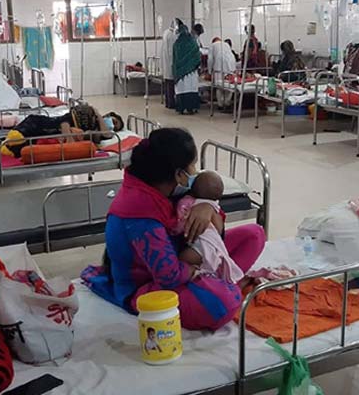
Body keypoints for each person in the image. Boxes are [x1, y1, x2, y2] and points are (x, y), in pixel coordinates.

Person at [80, 128, 266, 331]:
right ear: (178, 174)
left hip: (181, 256)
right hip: (147, 286)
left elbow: (215, 232)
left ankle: (218, 282)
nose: (195, 172)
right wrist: (194, 269)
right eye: (193, 165)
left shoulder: (163, 187)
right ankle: (223, 285)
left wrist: (207, 206)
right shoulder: (140, 213)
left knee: (254, 235)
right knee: (222, 304)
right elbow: (168, 276)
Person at [173, 171, 245, 284]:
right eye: (193, 166)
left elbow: (180, 220)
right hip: (214, 244)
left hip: (201, 243)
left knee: (180, 260)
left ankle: (205, 275)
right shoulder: (215, 205)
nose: (194, 171)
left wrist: (175, 230)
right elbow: (218, 229)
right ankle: (217, 278)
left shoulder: (187, 202)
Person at [0, 106, 123, 157]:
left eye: (115, 126)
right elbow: (65, 122)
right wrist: (97, 112)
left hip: (45, 133)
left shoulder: (98, 131)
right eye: (113, 120)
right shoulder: (89, 112)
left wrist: (101, 120)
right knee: (16, 139)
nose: (112, 125)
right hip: (41, 124)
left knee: (17, 149)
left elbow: (107, 135)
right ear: (109, 115)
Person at [173, 23, 201, 114]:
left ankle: (181, 109)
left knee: (181, 89)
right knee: (191, 89)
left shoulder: (176, 44)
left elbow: (174, 59)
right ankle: (191, 108)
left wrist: (176, 69)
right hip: (191, 72)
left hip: (180, 73)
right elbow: (197, 56)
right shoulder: (192, 42)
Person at [207, 37, 237, 108]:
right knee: (229, 84)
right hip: (231, 64)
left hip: (219, 65)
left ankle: (220, 104)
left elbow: (210, 59)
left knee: (219, 85)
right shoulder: (226, 44)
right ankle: (227, 102)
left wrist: (209, 71)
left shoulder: (212, 45)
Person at [161, 19, 180, 108]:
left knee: (167, 84)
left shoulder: (165, 33)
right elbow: (172, 51)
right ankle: (171, 103)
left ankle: (168, 103)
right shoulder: (172, 35)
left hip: (166, 62)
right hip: (170, 63)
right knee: (171, 85)